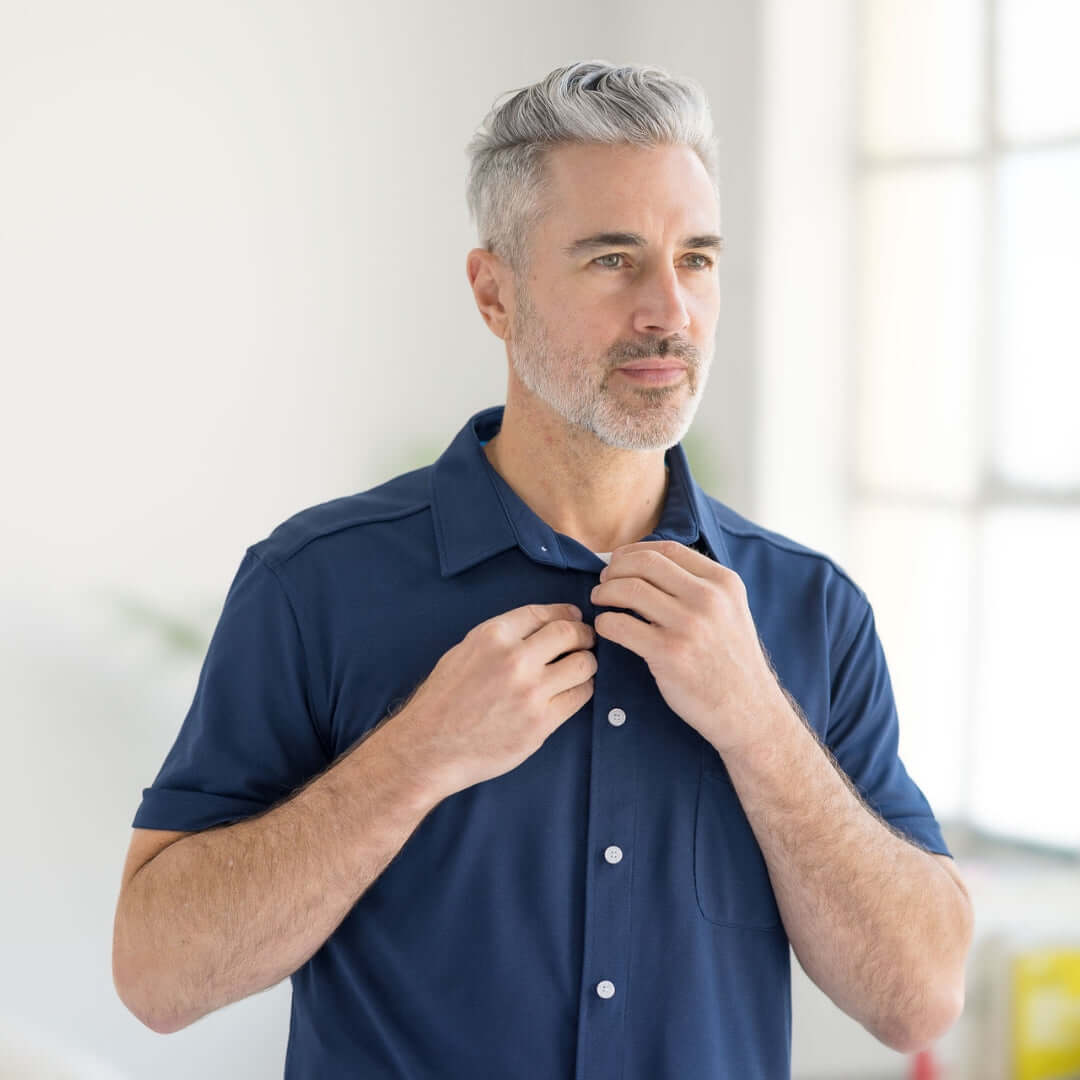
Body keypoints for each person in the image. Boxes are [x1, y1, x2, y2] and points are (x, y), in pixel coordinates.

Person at [112, 59, 974, 1078]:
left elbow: (919, 998)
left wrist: (758, 725)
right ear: (495, 293)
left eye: (695, 258)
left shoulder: (809, 611)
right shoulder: (314, 585)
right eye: (613, 260)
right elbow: (158, 977)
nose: (669, 310)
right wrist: (419, 753)